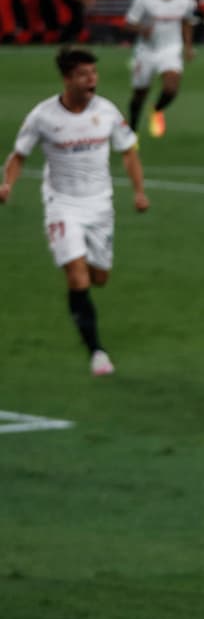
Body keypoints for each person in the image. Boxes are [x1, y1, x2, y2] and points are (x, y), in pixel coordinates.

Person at [0, 46, 148, 377]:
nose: (91, 79)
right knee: (77, 276)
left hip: (100, 205)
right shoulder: (43, 116)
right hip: (62, 204)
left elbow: (128, 151)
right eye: (83, 74)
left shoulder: (107, 112)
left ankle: (81, 294)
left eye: (93, 73)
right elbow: (19, 155)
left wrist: (139, 192)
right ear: (67, 78)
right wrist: (7, 184)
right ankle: (97, 352)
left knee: (99, 278)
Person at [123, 0, 197, 138]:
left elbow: (187, 22)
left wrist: (188, 47)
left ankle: (156, 109)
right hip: (146, 51)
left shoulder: (186, 1)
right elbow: (129, 23)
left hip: (171, 49)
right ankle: (132, 130)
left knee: (171, 89)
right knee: (140, 94)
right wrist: (142, 29)